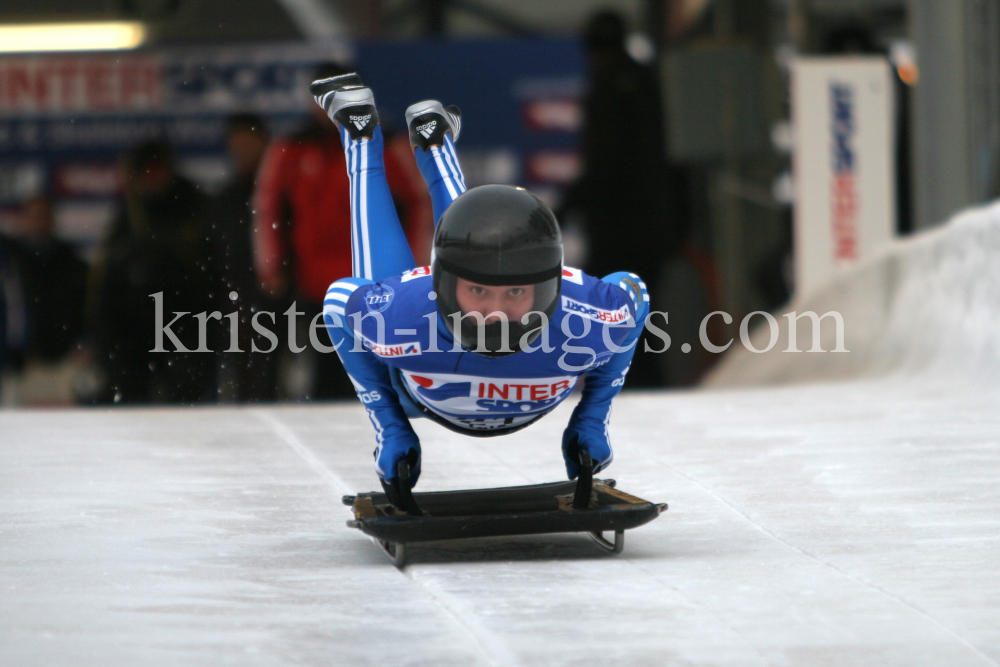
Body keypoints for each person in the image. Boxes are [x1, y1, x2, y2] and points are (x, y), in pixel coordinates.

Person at [312, 74, 650, 507]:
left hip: (428, 387)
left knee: (472, 241)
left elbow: (633, 295)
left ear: (547, 288)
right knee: (401, 281)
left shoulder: (590, 317)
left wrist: (591, 418)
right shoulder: (404, 314)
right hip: (417, 392)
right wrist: (390, 421)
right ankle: (365, 133)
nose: (494, 314)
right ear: (442, 285)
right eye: (478, 292)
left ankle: (407, 138)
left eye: (514, 294)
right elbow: (341, 298)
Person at [253, 62, 431, 400]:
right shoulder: (291, 148)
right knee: (325, 374)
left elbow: (417, 204)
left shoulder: (385, 143)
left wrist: (412, 268)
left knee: (375, 373)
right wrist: (271, 265)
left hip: (373, 284)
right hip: (314, 283)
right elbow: (268, 209)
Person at [88, 138, 215, 404]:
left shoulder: (195, 208)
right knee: (131, 401)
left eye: (157, 170)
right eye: (145, 172)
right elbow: (109, 284)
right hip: (136, 330)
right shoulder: (130, 215)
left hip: (188, 324)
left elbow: (209, 275)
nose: (152, 178)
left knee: (185, 403)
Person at [208, 113, 278, 402]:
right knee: (242, 382)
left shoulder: (280, 195)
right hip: (235, 304)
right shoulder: (224, 200)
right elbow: (215, 255)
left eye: (249, 141)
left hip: (280, 305)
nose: (243, 149)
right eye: (237, 143)